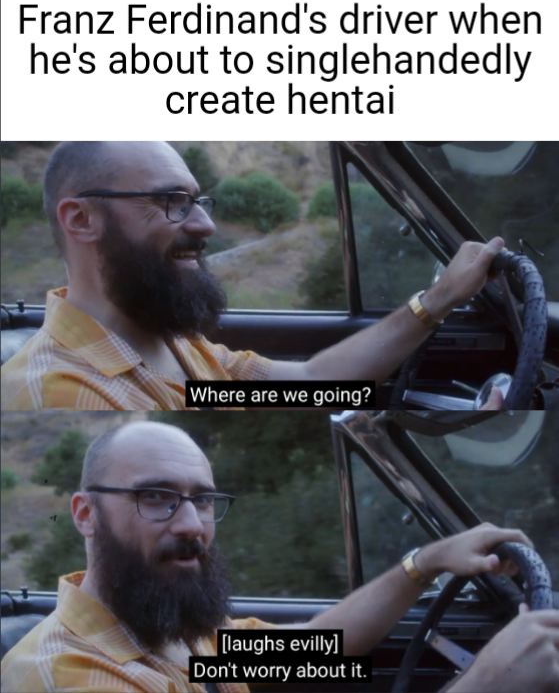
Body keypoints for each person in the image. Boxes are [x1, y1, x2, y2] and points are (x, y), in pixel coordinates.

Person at [2, 422, 556, 693]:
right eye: (156, 497)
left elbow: (318, 645)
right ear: (84, 513)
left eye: (202, 499)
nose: (193, 525)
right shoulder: (66, 675)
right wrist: (484, 685)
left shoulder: (169, 631)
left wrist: (427, 561)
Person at [1, 142, 504, 411]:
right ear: (81, 219)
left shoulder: (179, 347)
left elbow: (313, 381)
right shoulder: (67, 389)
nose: (205, 224)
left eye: (196, 200)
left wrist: (437, 301)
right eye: (171, 202)